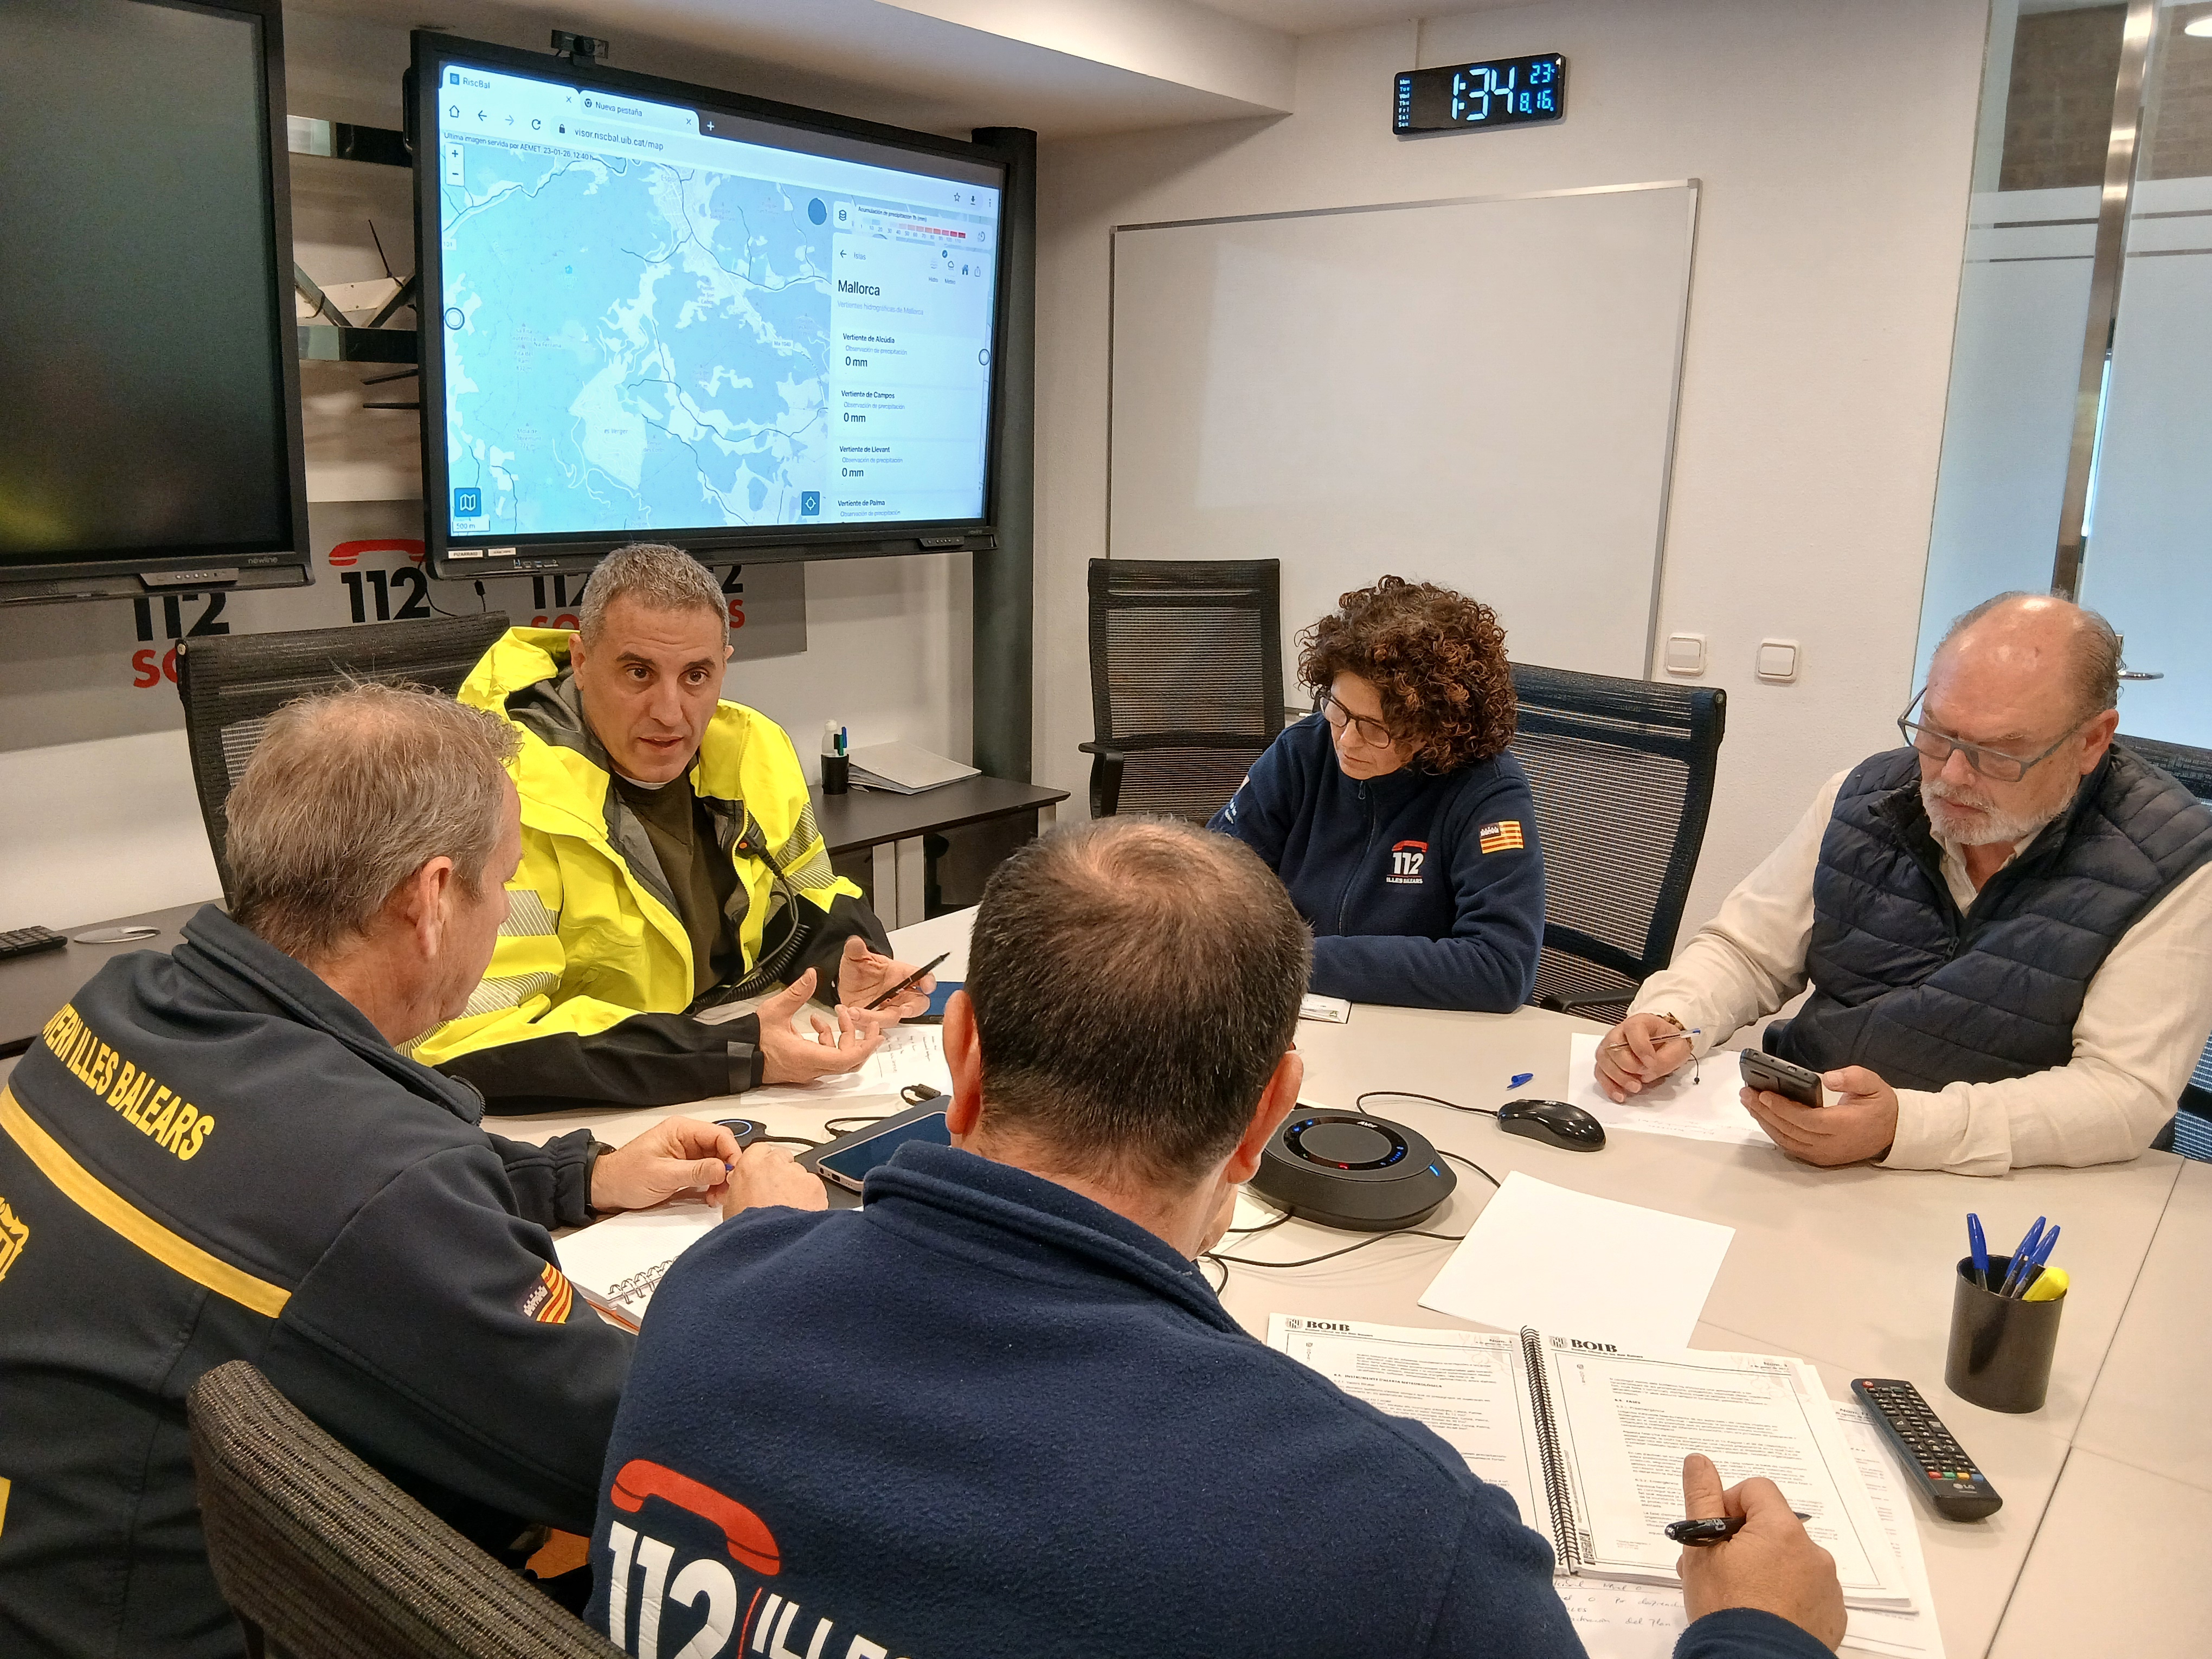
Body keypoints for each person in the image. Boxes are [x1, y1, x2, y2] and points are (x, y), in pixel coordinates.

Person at [583, 818, 1843, 1659]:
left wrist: (775, 1243)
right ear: (1265, 1120)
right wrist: (1761, 1636)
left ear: (960, 1061)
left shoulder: (706, 1304)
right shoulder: (1398, 1546)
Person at [0, 684, 821, 1659]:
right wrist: (770, 1249)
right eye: (502, 884)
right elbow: (645, 1446)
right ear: (431, 900)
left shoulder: (121, 1005)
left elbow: (279, 1182)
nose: (504, 914)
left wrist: (578, 1174)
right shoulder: (381, 1187)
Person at [1599, 593, 2212, 1176]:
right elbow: (1748, 953)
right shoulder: (1865, 795)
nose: (1950, 775)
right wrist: (1673, 1018)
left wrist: (1907, 1128)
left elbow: (2122, 1095)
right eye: (1937, 733)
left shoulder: (2173, 860)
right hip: (1804, 1153)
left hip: (2015, 1194)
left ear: (2092, 741)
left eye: (1999, 753)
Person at [410, 542, 936, 1111]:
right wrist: (732, 1054)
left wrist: (846, 970)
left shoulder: (753, 748)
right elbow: (465, 1036)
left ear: (724, 666)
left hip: (718, 1069)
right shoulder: (498, 796)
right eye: (639, 672)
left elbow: (813, 893)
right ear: (581, 662)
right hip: (582, 1114)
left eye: (696, 676)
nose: (670, 711)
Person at [1210, 575, 1544, 1011]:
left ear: (1436, 729)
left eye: (1375, 728)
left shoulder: (1487, 791)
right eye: (1339, 712)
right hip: (1297, 1013)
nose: (1346, 741)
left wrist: (1295, 960)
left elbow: (1500, 967)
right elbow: (1211, 881)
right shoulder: (1303, 753)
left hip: (1418, 1030)